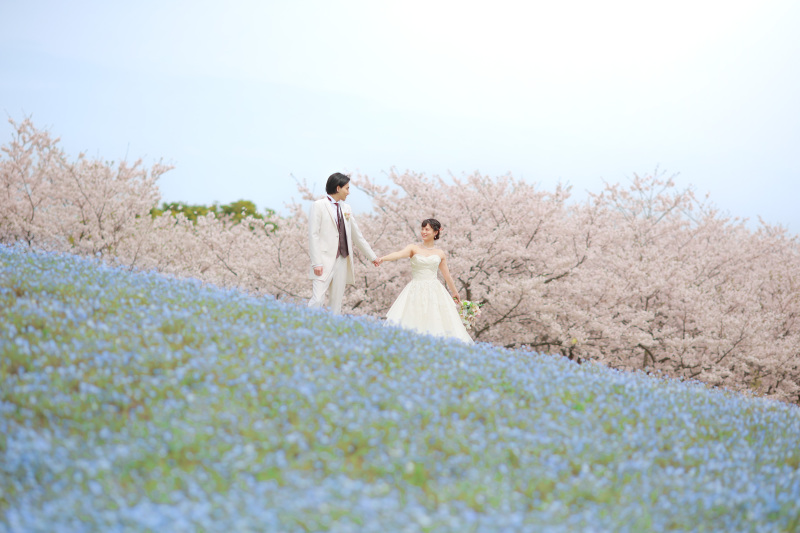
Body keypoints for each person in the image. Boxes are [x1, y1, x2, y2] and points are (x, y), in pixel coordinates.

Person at [377, 218, 473, 343]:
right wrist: (382, 259)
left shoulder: (440, 253)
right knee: (413, 318)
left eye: (427, 229)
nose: (423, 232)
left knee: (436, 320)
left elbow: (447, 275)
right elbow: (398, 254)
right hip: (415, 289)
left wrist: (455, 292)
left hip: (435, 291)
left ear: (435, 232)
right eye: (422, 229)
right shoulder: (413, 248)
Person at [308, 172, 380, 314]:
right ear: (338, 188)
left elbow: (357, 236)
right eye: (347, 188)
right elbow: (313, 235)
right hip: (322, 261)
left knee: (335, 304)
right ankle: (307, 329)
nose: (349, 192)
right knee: (317, 300)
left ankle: (331, 333)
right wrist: (316, 262)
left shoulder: (346, 209)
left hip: (342, 260)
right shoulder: (318, 205)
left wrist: (373, 257)